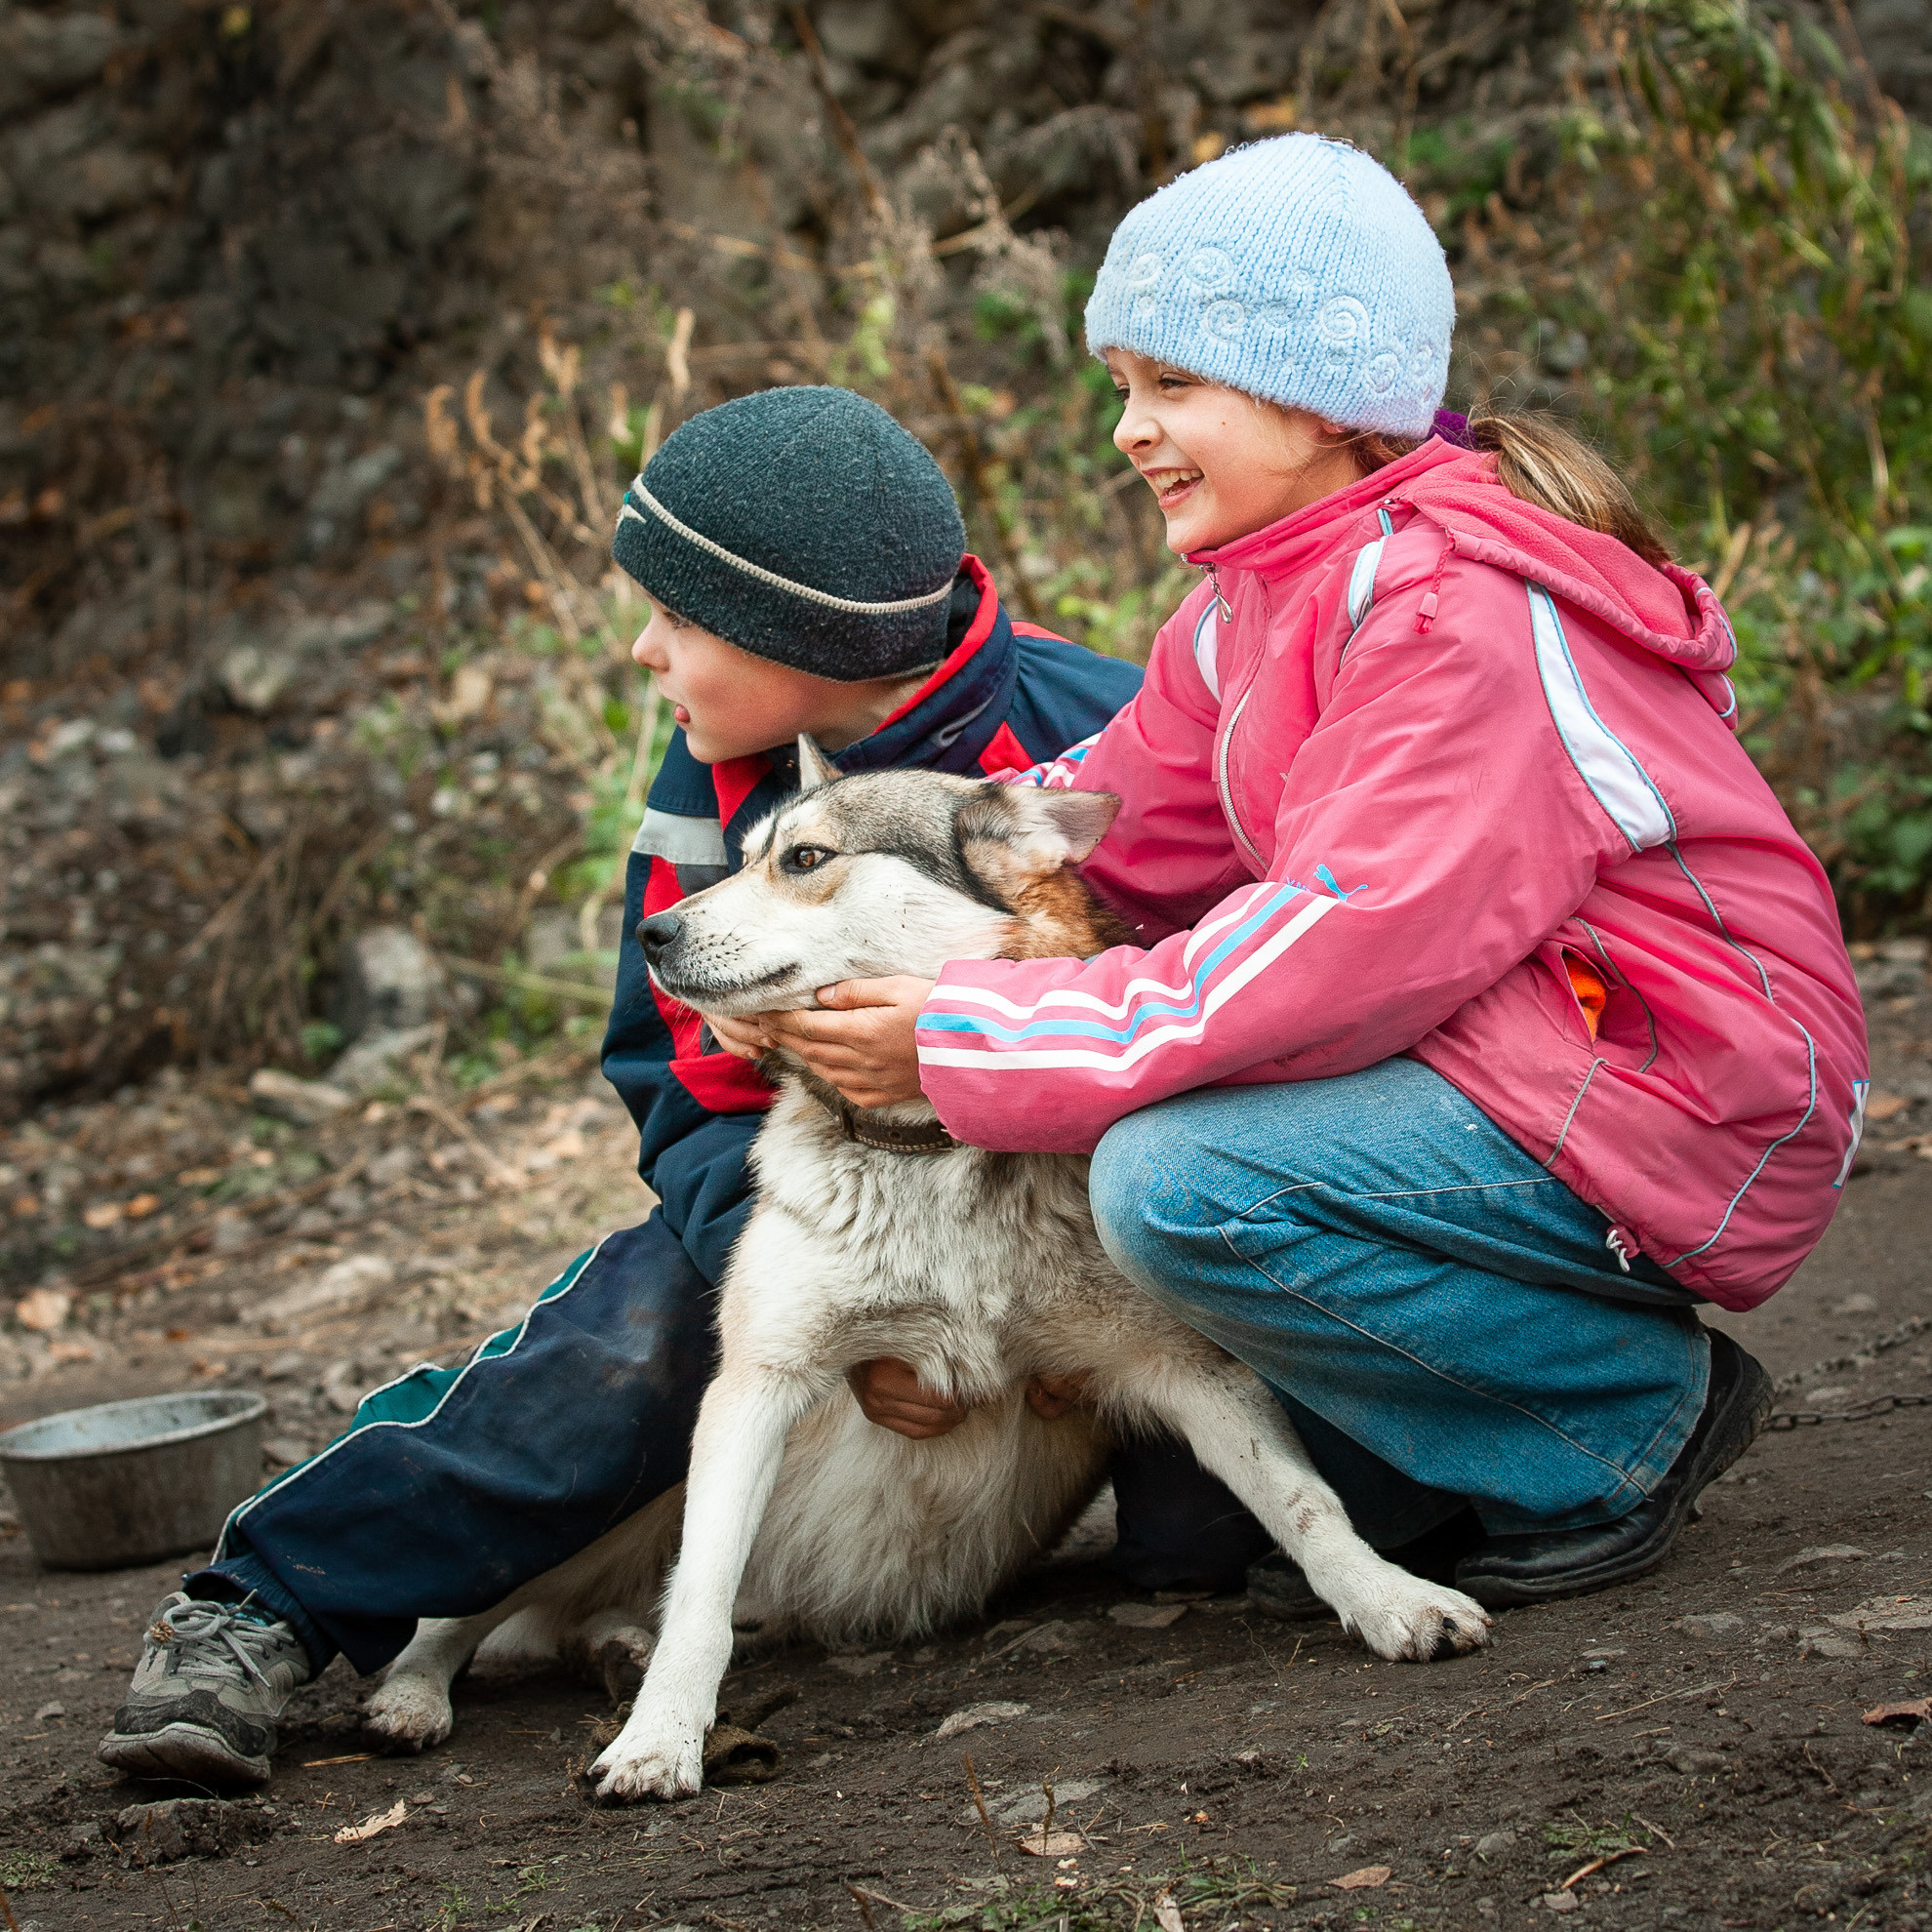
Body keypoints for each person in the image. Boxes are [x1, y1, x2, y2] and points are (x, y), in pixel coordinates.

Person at [714, 136, 1870, 1619]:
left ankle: (1617, 1421)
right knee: (1198, 1331)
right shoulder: (1245, 610)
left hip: (1680, 1077)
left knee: (1182, 1180)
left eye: (1172, 386)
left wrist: (959, 1042)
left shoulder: (1457, 615)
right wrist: (827, 945)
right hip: (1512, 1057)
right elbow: (1098, 834)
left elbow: (1335, 952)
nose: (1129, 431)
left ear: (1328, 399)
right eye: (1121, 389)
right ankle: (1461, 1449)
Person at [98, 386, 1145, 1790]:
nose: (644, 651)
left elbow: (1209, 1001)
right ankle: (264, 1605)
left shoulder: (1107, 732)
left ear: (803, 638)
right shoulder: (708, 777)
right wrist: (780, 1282)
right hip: (824, 1211)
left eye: (678, 622)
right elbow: (672, 1076)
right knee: (634, 1338)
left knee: (1207, 1513)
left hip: (1072, 1205)